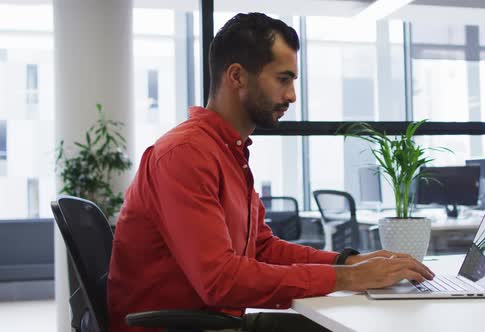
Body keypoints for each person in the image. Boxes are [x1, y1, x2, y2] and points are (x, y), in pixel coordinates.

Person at [107, 12, 434, 332]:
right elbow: (219, 281)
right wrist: (351, 278)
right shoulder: (185, 155)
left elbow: (262, 248)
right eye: (283, 79)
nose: (291, 96)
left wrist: (347, 263)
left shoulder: (229, 151)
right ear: (237, 76)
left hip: (212, 321)